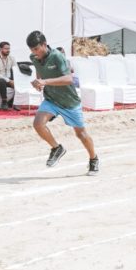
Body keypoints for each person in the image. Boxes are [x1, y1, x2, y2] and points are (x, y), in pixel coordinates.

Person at [27, 30, 98, 173]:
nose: (34, 52)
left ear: (44, 44)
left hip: (69, 101)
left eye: (36, 49)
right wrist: (38, 82)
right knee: (38, 124)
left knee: (81, 134)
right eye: (31, 50)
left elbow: (69, 79)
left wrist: (45, 81)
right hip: (51, 99)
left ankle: (93, 158)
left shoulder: (57, 56)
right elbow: (39, 71)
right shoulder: (34, 57)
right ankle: (56, 148)